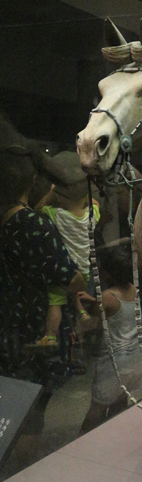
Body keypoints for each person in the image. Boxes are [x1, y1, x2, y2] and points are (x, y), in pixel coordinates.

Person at [0, 116, 86, 384]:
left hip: (8, 328)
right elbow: (71, 280)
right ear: (33, 178)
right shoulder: (33, 223)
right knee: (34, 400)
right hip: (34, 335)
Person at [29, 151, 100, 348]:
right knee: (73, 290)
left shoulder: (57, 215)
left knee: (56, 303)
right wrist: (84, 194)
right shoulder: (91, 216)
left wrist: (51, 194)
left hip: (64, 270)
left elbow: (37, 209)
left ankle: (50, 336)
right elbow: (95, 203)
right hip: (83, 272)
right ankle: (83, 313)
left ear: (59, 200)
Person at [78, 240, 142, 432]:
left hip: (113, 365)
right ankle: (113, 436)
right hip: (134, 360)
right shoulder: (134, 290)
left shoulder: (106, 297)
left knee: (98, 407)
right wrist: (94, 300)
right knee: (120, 400)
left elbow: (91, 325)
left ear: (107, 273)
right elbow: (119, 309)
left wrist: (78, 306)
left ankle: (84, 441)